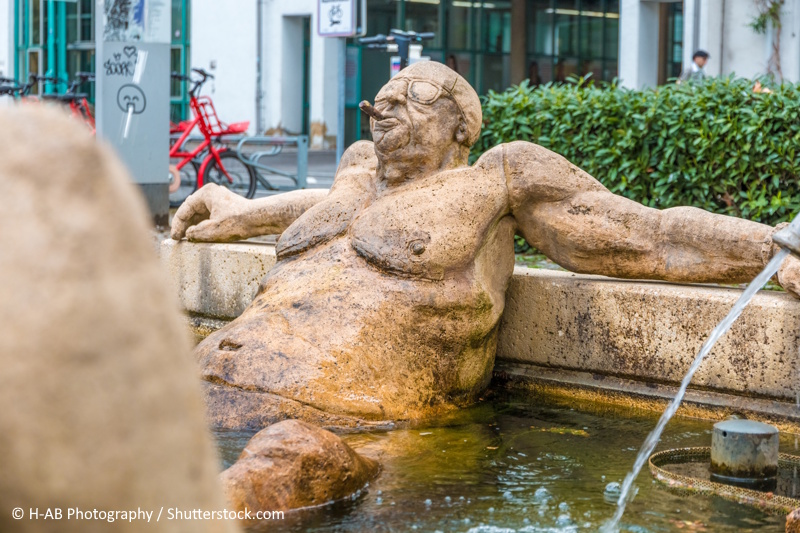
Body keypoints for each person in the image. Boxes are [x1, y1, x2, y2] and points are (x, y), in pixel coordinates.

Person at [171, 61, 800, 430]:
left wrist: (778, 248)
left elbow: (647, 236)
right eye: (382, 97)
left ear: (461, 122)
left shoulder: (497, 178)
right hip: (198, 391)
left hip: (339, 425)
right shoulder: (356, 174)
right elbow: (322, 210)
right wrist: (240, 211)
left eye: (414, 95)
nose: (387, 103)